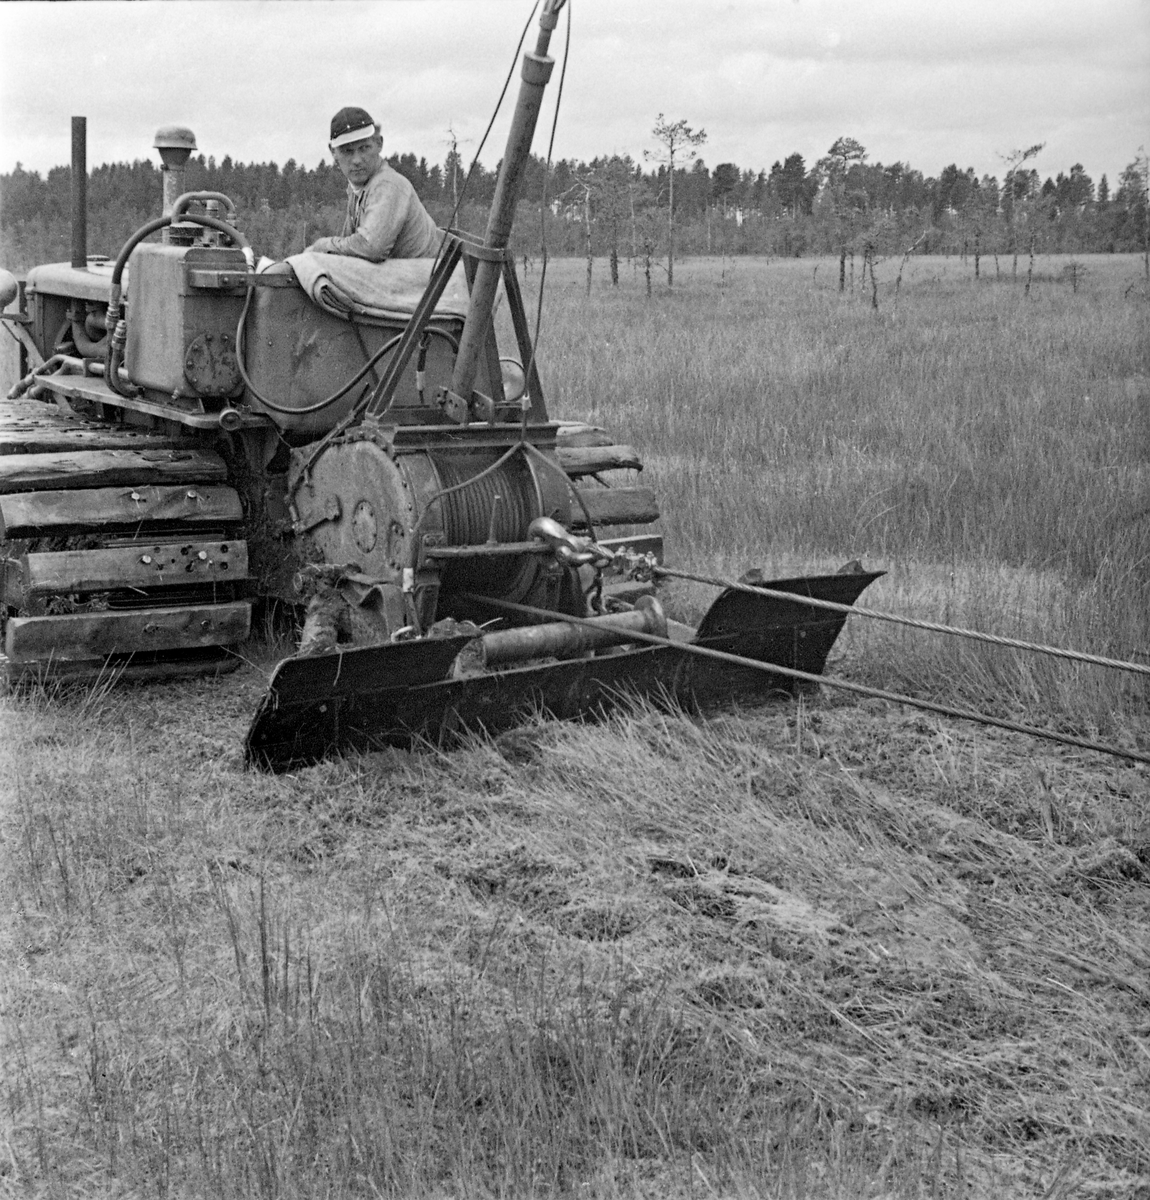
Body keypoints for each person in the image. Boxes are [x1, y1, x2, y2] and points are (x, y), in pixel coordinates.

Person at [306, 107, 441, 262]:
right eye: (347, 151)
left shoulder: (387, 185)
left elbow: (370, 247)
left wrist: (323, 246)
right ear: (333, 152)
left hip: (425, 279)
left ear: (379, 143)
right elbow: (350, 241)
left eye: (364, 148)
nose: (357, 160)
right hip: (399, 274)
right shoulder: (358, 188)